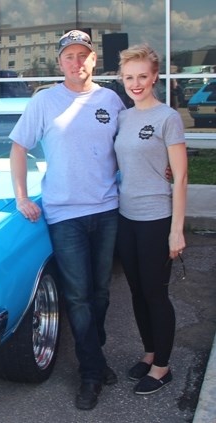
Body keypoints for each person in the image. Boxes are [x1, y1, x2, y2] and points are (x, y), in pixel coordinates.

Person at [9, 29, 125, 410]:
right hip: (65, 215)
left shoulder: (110, 99)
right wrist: (22, 196)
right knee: (77, 294)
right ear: (60, 63)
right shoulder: (44, 101)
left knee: (101, 293)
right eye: (69, 56)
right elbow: (19, 148)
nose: (77, 62)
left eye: (83, 55)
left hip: (107, 209)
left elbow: (129, 149)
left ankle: (96, 355)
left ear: (94, 60)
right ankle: (91, 372)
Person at [115, 44, 187, 395]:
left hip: (157, 218)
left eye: (142, 76)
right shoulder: (123, 117)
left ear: (155, 76)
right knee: (136, 292)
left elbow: (182, 178)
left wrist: (176, 230)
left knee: (155, 294)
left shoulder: (167, 118)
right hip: (125, 217)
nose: (136, 83)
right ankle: (149, 352)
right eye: (129, 77)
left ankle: (163, 368)